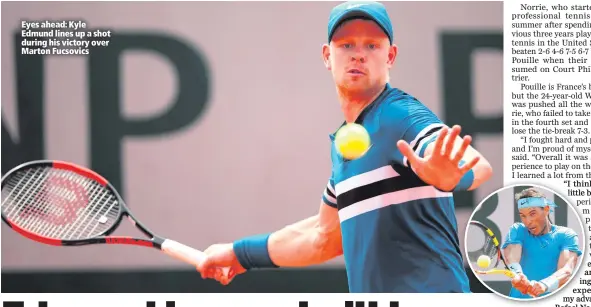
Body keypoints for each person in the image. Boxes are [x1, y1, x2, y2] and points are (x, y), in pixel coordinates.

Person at [196, 1, 493, 293]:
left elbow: (478, 165)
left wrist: (452, 176)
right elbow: (322, 237)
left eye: (372, 46)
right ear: (327, 56)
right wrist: (239, 253)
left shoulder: (400, 115)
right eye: (347, 45)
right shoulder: (346, 144)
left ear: (390, 56)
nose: (359, 55)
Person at [502, 188, 582, 299]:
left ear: (546, 209)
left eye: (532, 213)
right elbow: (511, 257)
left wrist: (544, 285)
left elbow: (566, 270)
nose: (527, 221)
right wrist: (518, 274)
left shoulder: (566, 235)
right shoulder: (518, 230)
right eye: (523, 215)